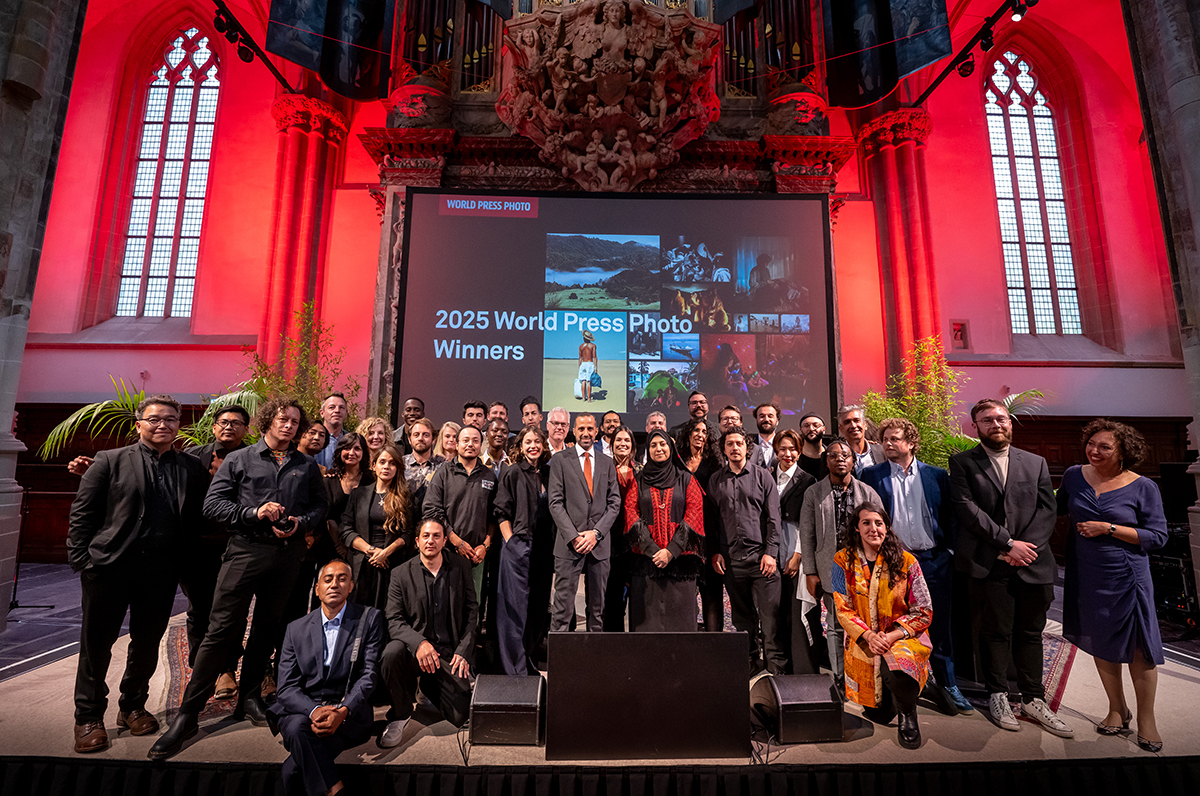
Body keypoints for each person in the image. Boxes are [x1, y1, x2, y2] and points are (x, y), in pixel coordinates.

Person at [150, 397, 329, 760]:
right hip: (246, 552)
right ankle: (188, 714)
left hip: (287, 555)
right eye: (283, 419)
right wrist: (254, 512)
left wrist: (301, 523)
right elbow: (213, 505)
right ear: (268, 421)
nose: (289, 426)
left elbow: (320, 506)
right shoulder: (240, 459)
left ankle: (248, 698)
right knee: (221, 630)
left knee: (267, 629)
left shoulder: (306, 464)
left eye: (295, 422)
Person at [67, 395, 207, 753]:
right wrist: (83, 561)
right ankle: (88, 716)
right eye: (155, 419)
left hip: (161, 571)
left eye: (171, 419)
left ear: (178, 425)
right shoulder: (109, 460)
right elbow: (83, 513)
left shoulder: (190, 467)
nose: (163, 425)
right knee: (96, 645)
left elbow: (197, 517)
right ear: (139, 424)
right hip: (109, 568)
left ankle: (132, 705)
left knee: (146, 643)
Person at [949, 399, 1072, 738]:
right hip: (990, 562)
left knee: (1031, 633)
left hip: (1032, 561)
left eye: (1001, 418)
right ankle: (998, 694)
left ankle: (1033, 699)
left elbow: (1047, 509)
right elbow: (966, 509)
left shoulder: (1035, 462)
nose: (996, 424)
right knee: (995, 632)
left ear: (1010, 422)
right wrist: (1006, 544)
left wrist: (1024, 549)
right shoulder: (963, 463)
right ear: (975, 426)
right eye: (987, 420)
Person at [1057, 419, 1168, 752]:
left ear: (1123, 452)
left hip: (1127, 576)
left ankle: (1147, 720)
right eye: (1091, 443)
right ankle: (1117, 709)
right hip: (1087, 573)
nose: (1094, 451)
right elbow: (1052, 508)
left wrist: (1109, 528)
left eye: (1105, 446)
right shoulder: (1073, 476)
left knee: (1138, 648)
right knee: (1101, 640)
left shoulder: (1143, 486)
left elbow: (1158, 536)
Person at [859, 418, 971, 716]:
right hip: (893, 562)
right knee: (894, 625)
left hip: (933, 560)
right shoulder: (871, 475)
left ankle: (947, 683)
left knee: (938, 623)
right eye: (885, 439)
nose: (887, 443)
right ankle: (900, 686)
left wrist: (948, 552)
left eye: (894, 438)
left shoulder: (937, 475)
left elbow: (951, 515)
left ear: (911, 443)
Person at [271, 560, 384, 796]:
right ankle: (335, 789)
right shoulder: (295, 628)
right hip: (304, 712)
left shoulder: (369, 619)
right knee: (296, 727)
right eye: (328, 579)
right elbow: (286, 687)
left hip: (348, 716)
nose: (335, 584)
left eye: (342, 579)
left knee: (291, 771)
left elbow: (369, 675)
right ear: (317, 589)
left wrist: (341, 712)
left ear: (351, 586)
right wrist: (314, 711)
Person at [833, 503, 933, 750]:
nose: (873, 528)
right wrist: (868, 635)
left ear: (887, 528)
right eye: (866, 523)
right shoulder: (841, 561)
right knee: (878, 714)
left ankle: (908, 714)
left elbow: (924, 609)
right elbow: (842, 608)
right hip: (864, 637)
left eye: (879, 523)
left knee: (899, 668)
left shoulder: (907, 561)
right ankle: (906, 693)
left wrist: (893, 636)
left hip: (901, 636)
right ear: (856, 528)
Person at [378, 519, 477, 746]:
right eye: (425, 536)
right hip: (414, 651)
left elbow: (472, 611)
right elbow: (394, 619)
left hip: (448, 652)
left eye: (436, 536)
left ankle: (428, 686)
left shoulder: (460, 567)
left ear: (444, 541)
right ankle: (400, 715)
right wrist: (420, 643)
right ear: (417, 541)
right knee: (391, 653)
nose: (430, 540)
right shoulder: (400, 573)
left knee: (463, 713)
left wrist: (463, 651)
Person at [798, 437, 880, 687]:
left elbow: (881, 531)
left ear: (853, 461)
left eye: (845, 455)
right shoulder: (814, 493)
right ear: (826, 461)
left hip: (863, 569)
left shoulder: (867, 492)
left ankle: (863, 675)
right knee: (834, 625)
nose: (839, 459)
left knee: (864, 624)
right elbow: (807, 534)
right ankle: (839, 676)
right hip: (831, 569)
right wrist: (810, 572)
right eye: (833, 455)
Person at [708, 425, 785, 674]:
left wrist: (771, 553)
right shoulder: (716, 480)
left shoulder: (763, 477)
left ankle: (776, 672)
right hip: (732, 561)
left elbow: (774, 519)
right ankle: (751, 666)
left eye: (739, 443)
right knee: (742, 619)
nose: (734, 448)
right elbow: (712, 521)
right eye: (729, 444)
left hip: (762, 560)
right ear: (724, 449)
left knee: (771, 620)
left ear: (747, 447)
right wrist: (716, 551)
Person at [622, 430, 706, 631]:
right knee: (646, 627)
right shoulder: (639, 480)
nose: (658, 448)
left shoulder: (686, 478)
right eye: (653, 445)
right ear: (647, 451)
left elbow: (694, 514)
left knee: (680, 627)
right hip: (646, 564)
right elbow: (630, 512)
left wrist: (671, 551)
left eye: (663, 444)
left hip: (680, 564)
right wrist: (652, 550)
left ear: (671, 448)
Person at [548, 413, 622, 632]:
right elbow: (555, 502)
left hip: (599, 546)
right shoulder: (560, 460)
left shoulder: (607, 462)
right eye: (581, 429)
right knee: (562, 611)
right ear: (574, 431)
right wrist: (574, 536)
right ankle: (560, 655)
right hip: (569, 545)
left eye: (590, 428)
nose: (586, 433)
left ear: (597, 431)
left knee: (597, 612)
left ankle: (593, 655)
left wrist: (596, 533)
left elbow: (614, 502)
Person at [494, 425, 553, 674]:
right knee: (514, 611)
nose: (533, 446)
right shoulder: (513, 472)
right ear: (520, 446)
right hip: (519, 546)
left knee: (538, 609)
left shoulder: (549, 473)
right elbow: (501, 512)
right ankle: (513, 669)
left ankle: (529, 663)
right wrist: (511, 543)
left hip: (544, 550)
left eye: (537, 442)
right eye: (528, 442)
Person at [423, 424, 496, 610]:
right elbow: (431, 510)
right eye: (466, 440)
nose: (470, 444)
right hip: (447, 552)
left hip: (477, 555)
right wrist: (456, 541)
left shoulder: (489, 476)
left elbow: (495, 515)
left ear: (481, 445)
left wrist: (485, 545)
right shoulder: (443, 473)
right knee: (445, 604)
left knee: (474, 605)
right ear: (456, 444)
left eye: (475, 441)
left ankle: (472, 632)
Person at [340, 444, 412, 612]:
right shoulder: (358, 494)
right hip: (362, 564)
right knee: (358, 614)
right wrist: (371, 550)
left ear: (398, 468)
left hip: (391, 564)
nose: (386, 466)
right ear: (373, 466)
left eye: (392, 463)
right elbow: (346, 529)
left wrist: (385, 552)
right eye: (382, 462)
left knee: (388, 613)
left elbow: (409, 533)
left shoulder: (406, 497)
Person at [773, 430, 820, 674]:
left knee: (798, 611)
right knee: (775, 612)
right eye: (783, 449)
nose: (787, 454)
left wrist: (798, 555)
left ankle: (804, 670)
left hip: (796, 549)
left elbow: (809, 523)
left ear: (800, 452)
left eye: (792, 449)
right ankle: (780, 669)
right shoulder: (766, 476)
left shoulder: (808, 480)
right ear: (775, 451)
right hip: (772, 549)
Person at [677, 416, 724, 632]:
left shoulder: (714, 462)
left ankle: (714, 642)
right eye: (696, 430)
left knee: (711, 592)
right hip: (682, 532)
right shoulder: (677, 461)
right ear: (688, 434)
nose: (700, 434)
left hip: (708, 532)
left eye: (704, 431)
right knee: (684, 592)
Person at [602, 425, 639, 631]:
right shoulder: (604, 468)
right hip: (611, 540)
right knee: (613, 597)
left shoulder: (641, 471)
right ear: (611, 444)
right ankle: (612, 642)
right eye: (618, 440)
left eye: (627, 440)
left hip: (636, 542)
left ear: (632, 445)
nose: (622, 444)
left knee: (638, 597)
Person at [324, 433, 372, 565]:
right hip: (333, 544)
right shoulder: (329, 480)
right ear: (340, 451)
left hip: (365, 545)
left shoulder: (372, 479)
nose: (351, 453)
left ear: (363, 453)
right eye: (347, 448)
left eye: (357, 449)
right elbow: (328, 517)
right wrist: (340, 545)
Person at [403, 417, 443, 520]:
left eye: (426, 435)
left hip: (434, 521)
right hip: (404, 520)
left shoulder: (444, 466)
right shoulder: (400, 464)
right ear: (409, 439)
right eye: (416, 435)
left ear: (433, 439)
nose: (420, 438)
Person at [838, 405, 884, 476]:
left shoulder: (881, 451)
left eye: (857, 420)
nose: (853, 426)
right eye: (847, 422)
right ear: (841, 429)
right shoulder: (836, 455)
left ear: (865, 425)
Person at [313, 392, 349, 469]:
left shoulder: (350, 440)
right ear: (322, 413)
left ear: (346, 413)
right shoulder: (312, 438)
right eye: (331, 407)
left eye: (341, 407)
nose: (337, 411)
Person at [797, 412, 828, 480]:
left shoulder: (831, 455)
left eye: (816, 425)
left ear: (824, 429)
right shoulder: (795, 457)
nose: (811, 428)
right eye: (806, 426)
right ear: (801, 430)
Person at [752, 403, 781, 469]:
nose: (766, 419)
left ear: (777, 421)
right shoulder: (747, 443)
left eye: (770, 416)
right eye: (762, 416)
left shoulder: (783, 443)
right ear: (756, 420)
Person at [578, 329, 598, 402]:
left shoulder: (581, 346)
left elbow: (580, 358)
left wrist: (579, 366)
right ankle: (589, 398)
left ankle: (583, 398)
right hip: (589, 363)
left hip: (583, 363)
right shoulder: (593, 346)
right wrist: (596, 367)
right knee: (589, 381)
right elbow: (594, 357)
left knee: (583, 381)